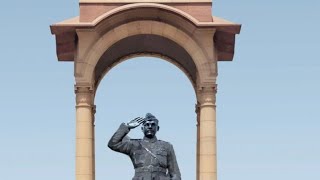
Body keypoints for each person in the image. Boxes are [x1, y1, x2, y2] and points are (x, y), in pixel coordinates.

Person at [108, 113, 181, 180]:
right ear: (142, 128)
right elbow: (113, 144)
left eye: (153, 124)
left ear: (157, 128)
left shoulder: (167, 146)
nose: (150, 127)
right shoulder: (133, 145)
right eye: (147, 124)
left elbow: (175, 173)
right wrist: (127, 127)